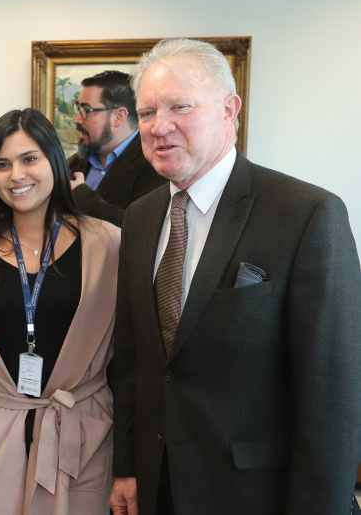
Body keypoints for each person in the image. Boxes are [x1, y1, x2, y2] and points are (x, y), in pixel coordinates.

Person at [109, 38, 361, 515]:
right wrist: (127, 467)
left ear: (230, 109)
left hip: (256, 496)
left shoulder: (306, 214)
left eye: (180, 106)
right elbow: (135, 362)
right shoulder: (140, 218)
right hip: (157, 487)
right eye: (146, 113)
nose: (159, 127)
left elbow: (333, 397)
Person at [0, 108, 119, 515]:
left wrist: (131, 468)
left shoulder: (110, 246)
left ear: (53, 160)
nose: (16, 175)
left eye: (29, 159)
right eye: (2, 164)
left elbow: (132, 361)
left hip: (81, 439)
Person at [67, 70, 165, 227]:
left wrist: (82, 196)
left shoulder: (155, 163)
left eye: (87, 110)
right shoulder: (73, 163)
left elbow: (140, 229)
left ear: (119, 116)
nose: (76, 119)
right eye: (77, 108)